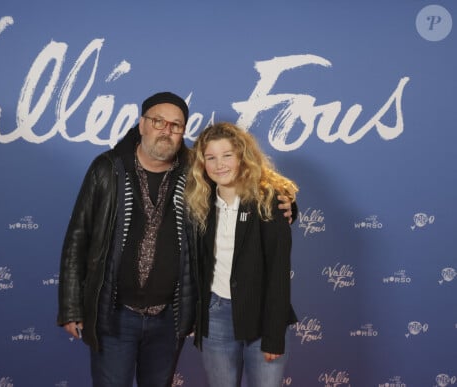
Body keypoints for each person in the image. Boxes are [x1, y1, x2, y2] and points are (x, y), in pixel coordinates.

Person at [57, 92, 294, 387]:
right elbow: (77, 237)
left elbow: (243, 180)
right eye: (158, 121)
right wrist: (70, 307)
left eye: (175, 125)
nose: (166, 130)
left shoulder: (194, 173)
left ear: (183, 132)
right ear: (142, 124)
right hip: (115, 314)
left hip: (169, 318)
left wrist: (283, 202)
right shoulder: (107, 169)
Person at [184, 122, 298, 387]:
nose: (219, 164)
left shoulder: (269, 201)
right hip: (216, 316)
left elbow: (279, 274)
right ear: (202, 164)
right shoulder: (199, 202)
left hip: (263, 319)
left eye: (227, 155)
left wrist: (274, 335)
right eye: (210, 157)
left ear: (242, 158)